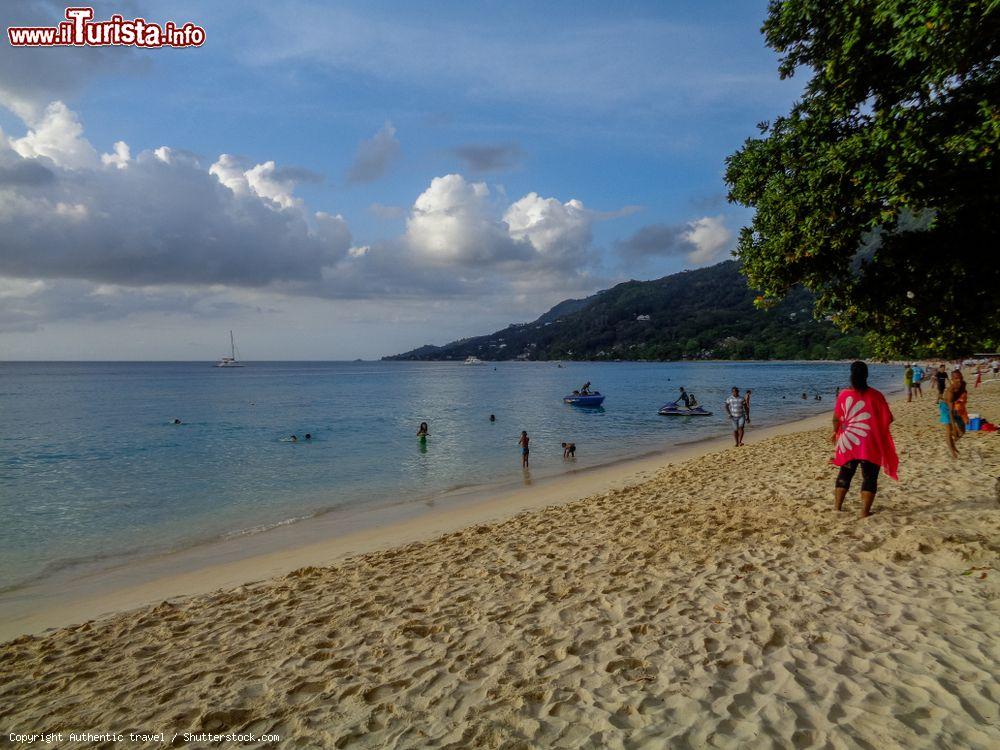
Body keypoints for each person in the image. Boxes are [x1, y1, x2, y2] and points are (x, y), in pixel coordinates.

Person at [832, 361, 898, 518]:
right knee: (870, 476)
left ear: (851, 375)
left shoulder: (844, 394)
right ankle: (864, 512)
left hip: (848, 440)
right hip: (870, 441)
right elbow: (888, 418)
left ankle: (837, 507)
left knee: (845, 472)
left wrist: (836, 433)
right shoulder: (876, 395)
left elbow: (836, 419)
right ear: (867, 375)